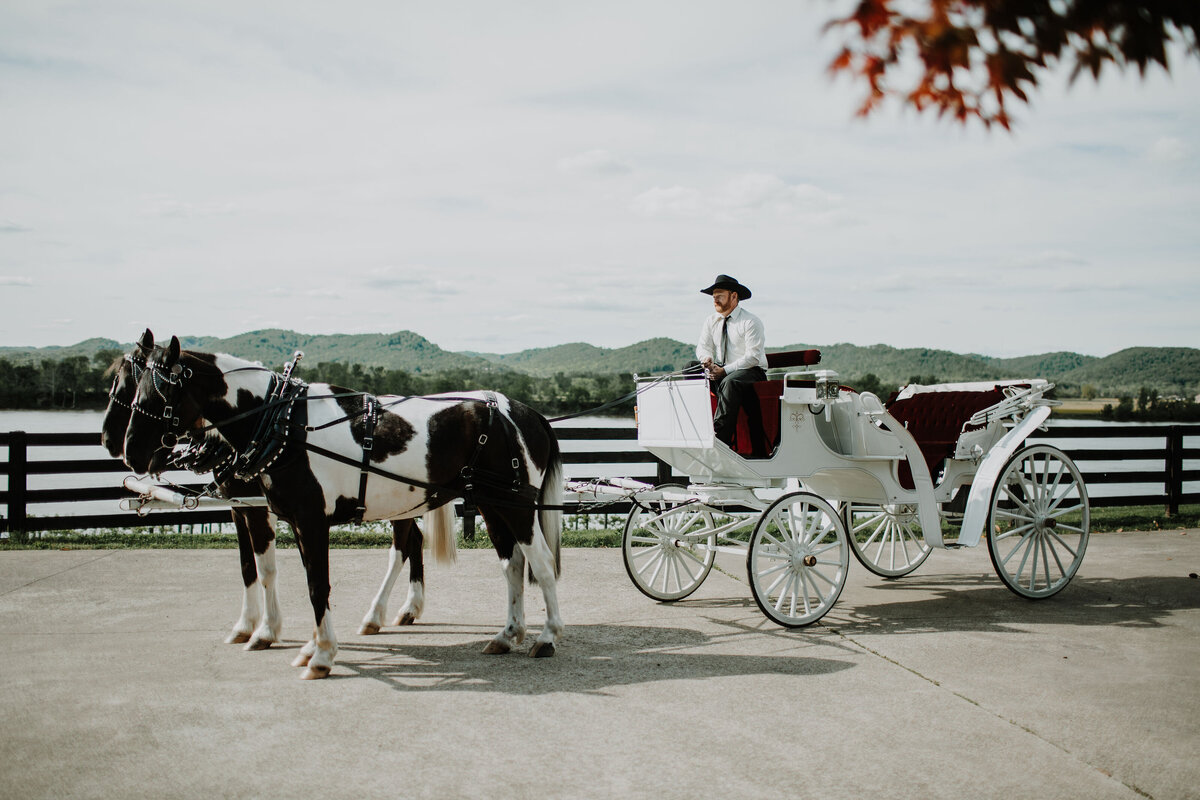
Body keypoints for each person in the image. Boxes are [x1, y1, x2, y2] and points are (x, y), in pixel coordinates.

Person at [696, 274, 768, 456]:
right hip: (722, 370)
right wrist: (707, 360)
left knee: (730, 382)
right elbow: (703, 347)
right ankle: (696, 427)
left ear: (734, 296)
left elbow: (752, 357)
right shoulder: (711, 321)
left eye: (719, 295)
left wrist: (724, 371)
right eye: (713, 296)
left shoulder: (750, 322)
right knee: (690, 367)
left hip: (751, 371)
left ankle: (720, 442)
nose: (715, 300)